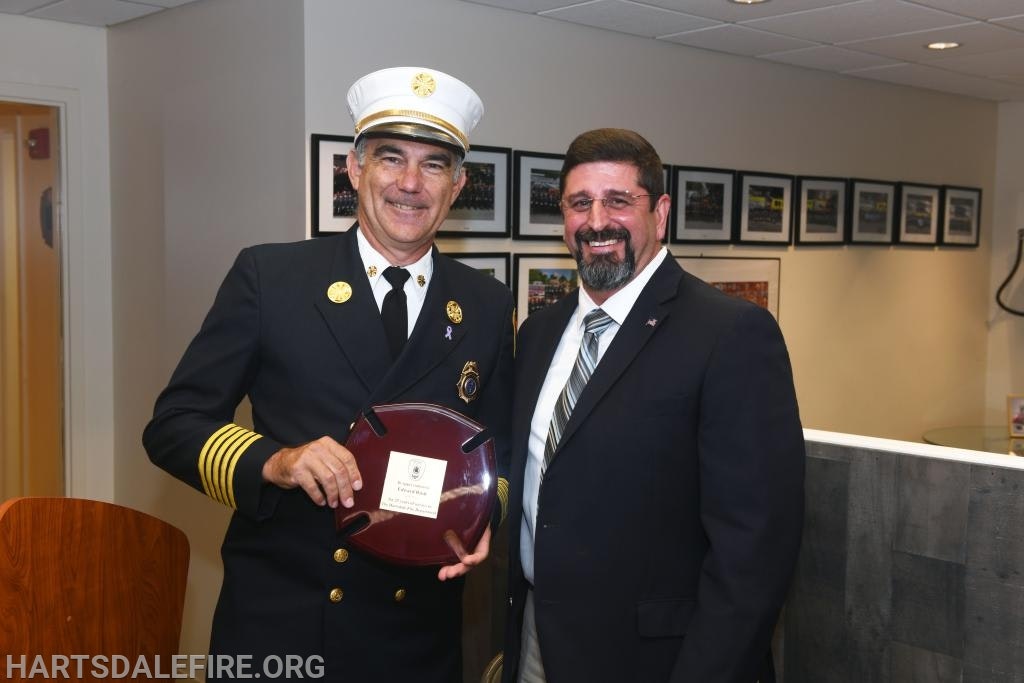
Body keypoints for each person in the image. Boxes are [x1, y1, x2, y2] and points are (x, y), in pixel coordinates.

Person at [143, 66, 514, 682]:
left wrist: (483, 519)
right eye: (391, 158)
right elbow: (173, 426)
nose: (409, 184)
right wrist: (275, 461)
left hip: (417, 633)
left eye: (434, 166)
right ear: (354, 169)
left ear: (457, 186)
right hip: (286, 628)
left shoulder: (485, 303)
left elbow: (498, 453)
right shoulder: (273, 278)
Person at [503, 128, 805, 683]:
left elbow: (755, 549)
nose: (596, 221)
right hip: (536, 644)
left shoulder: (731, 333)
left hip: (656, 660)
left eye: (619, 201)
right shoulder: (540, 333)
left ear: (660, 213)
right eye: (579, 203)